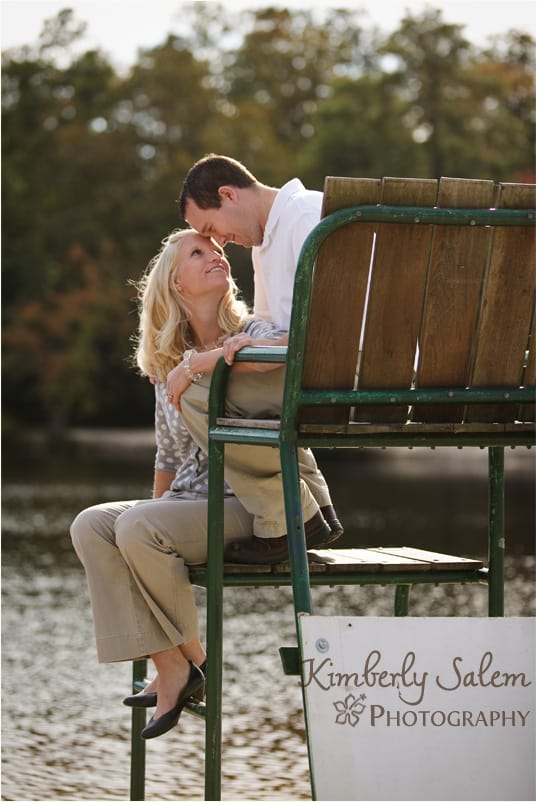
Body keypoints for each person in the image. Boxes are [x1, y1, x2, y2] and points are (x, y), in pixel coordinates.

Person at [70, 229, 336, 740]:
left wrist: (211, 359)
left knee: (140, 528)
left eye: (216, 249)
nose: (216, 254)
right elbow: (168, 456)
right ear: (176, 283)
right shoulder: (167, 363)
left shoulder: (256, 331)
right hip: (194, 500)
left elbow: (294, 346)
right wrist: (145, 526)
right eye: (199, 252)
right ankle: (178, 661)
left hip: (258, 500)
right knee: (93, 526)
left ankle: (183, 669)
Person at [171, 154, 342, 562]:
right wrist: (224, 352)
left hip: (335, 377)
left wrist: (198, 363)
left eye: (212, 228)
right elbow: (271, 332)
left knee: (197, 394)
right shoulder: (267, 243)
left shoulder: (304, 219)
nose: (220, 241)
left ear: (228, 194)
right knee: (205, 384)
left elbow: (326, 335)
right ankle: (315, 508)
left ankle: (285, 518)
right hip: (309, 371)